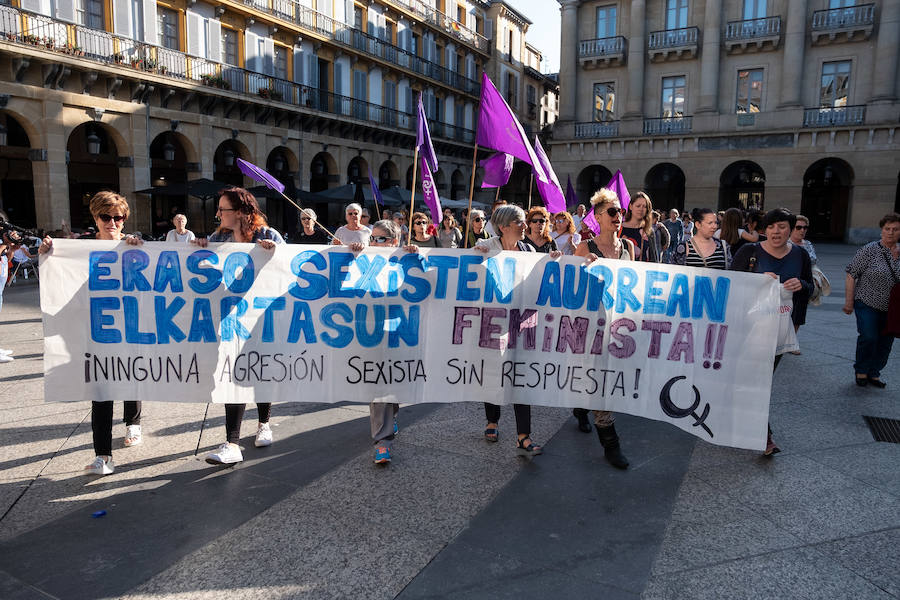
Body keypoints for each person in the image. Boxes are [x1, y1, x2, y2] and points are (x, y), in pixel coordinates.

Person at [38, 191, 145, 474]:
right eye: (105, 217)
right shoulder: (80, 249)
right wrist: (50, 254)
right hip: (96, 329)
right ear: (95, 218)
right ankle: (103, 455)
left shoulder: (132, 245)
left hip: (129, 324)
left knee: (130, 376)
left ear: (125, 219)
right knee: (101, 388)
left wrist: (138, 250)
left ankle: (133, 423)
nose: (112, 222)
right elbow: (61, 278)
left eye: (118, 217)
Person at [194, 187, 285, 465]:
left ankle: (263, 423)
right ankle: (232, 442)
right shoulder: (218, 237)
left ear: (242, 213)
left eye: (223, 210)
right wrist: (197, 250)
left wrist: (276, 254)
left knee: (260, 369)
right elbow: (206, 266)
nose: (218, 214)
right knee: (234, 372)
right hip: (231, 316)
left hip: (261, 318)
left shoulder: (267, 235)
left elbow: (289, 266)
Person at [732, 208, 813, 456]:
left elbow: (810, 286)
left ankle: (758, 432)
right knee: (754, 379)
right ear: (763, 230)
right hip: (746, 328)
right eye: (771, 227)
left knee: (760, 380)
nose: (776, 231)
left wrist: (802, 285)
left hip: (779, 329)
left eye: (782, 226)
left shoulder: (800, 255)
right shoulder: (750, 251)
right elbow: (730, 282)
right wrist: (754, 281)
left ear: (791, 228)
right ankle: (763, 434)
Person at [474, 205, 547, 457]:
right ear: (504, 226)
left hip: (521, 321)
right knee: (494, 371)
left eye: (525, 220)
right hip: (493, 323)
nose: (525, 224)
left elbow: (538, 279)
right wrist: (476, 256)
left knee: (520, 376)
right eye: (520, 221)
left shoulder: (528, 249)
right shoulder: (486, 246)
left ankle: (523, 436)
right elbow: (465, 273)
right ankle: (492, 420)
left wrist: (557, 263)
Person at [572, 188, 633, 469]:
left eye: (620, 211)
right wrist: (585, 268)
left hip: (620, 325)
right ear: (597, 216)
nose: (618, 216)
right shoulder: (586, 248)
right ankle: (611, 444)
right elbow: (569, 285)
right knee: (600, 380)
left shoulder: (628, 248)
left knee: (602, 377)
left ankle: (580, 406)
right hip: (592, 323)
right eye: (612, 212)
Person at [365, 219, 420, 463]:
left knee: (393, 382)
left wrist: (417, 257)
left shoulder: (406, 259)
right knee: (379, 384)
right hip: (370, 330)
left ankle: (392, 416)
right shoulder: (365, 259)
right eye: (372, 238)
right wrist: (348, 255)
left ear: (395, 241)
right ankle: (382, 441)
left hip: (400, 331)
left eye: (381, 239)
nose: (375, 243)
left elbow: (430, 282)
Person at [843, 213, 900, 388]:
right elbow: (852, 274)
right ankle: (861, 370)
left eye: (895, 229)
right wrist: (849, 302)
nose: (890, 233)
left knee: (885, 342)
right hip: (867, 301)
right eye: (887, 229)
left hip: (892, 308)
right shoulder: (870, 250)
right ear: (881, 230)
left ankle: (874, 372)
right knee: (869, 336)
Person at [620, 191, 660, 262]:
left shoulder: (649, 231)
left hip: (643, 271)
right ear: (631, 206)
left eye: (644, 206)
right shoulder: (618, 229)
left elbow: (654, 258)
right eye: (638, 206)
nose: (641, 209)